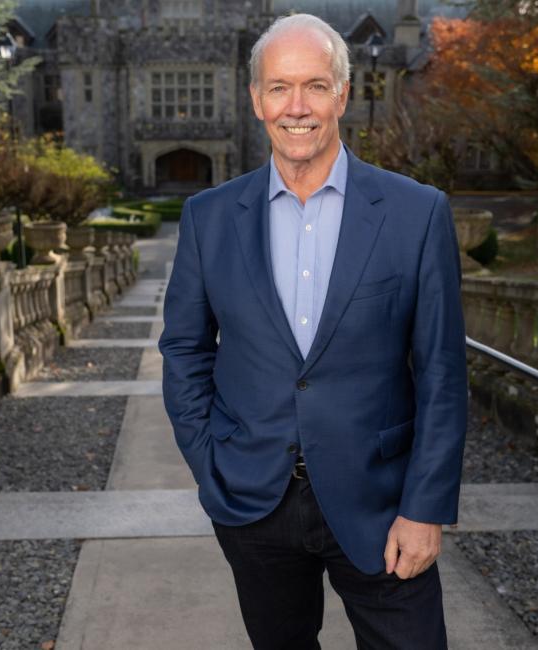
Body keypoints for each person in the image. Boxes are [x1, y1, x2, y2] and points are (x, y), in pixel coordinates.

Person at [159, 13, 467, 650]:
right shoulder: (208, 218)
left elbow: (441, 372)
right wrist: (209, 464)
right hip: (252, 501)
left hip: (383, 504)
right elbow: (185, 349)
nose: (296, 107)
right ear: (255, 100)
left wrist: (426, 506)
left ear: (344, 94)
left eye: (315, 86)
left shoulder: (416, 213)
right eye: (279, 88)